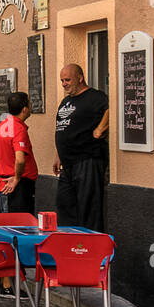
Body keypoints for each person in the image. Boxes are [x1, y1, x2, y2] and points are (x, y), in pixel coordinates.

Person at [0, 91, 38, 298]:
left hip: (4, 183)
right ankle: (7, 284)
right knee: (15, 235)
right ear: (25, 108)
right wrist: (15, 175)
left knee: (8, 233)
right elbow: (21, 159)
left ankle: (8, 283)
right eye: (30, 103)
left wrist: (1, 163)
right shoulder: (18, 129)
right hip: (17, 186)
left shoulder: (3, 125)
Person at [53, 63, 109, 231]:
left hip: (87, 160)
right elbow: (62, 127)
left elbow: (112, 109)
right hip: (67, 164)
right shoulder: (66, 101)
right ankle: (70, 244)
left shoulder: (95, 97)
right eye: (62, 80)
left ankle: (90, 247)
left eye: (67, 80)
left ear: (80, 77)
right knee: (65, 205)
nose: (64, 84)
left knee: (88, 208)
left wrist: (100, 128)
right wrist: (58, 155)